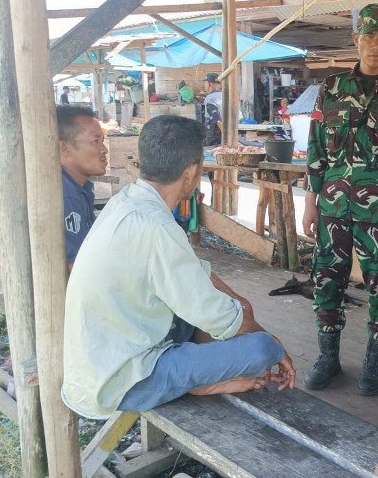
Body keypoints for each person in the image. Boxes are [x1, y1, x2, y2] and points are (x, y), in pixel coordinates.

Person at [61, 115, 296, 420]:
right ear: (192, 171)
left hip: (98, 363)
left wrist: (245, 308)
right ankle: (194, 383)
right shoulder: (157, 226)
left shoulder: (128, 201)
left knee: (225, 322)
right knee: (259, 348)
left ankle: (197, 380)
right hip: (122, 381)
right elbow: (220, 317)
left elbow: (196, 272)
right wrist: (275, 347)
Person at [302, 3, 378, 396]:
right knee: (327, 279)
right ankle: (328, 356)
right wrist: (309, 201)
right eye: (368, 36)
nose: (375, 45)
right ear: (356, 39)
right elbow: (315, 149)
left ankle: (375, 360)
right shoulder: (331, 88)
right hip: (332, 207)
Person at [57, 104, 107, 269]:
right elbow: (77, 267)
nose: (104, 150)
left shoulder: (79, 186)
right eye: (96, 142)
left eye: (103, 141)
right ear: (64, 148)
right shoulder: (66, 195)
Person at [203, 72, 223, 147]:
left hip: (214, 138)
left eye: (205, 83)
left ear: (209, 84)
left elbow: (217, 119)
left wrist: (225, 135)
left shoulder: (210, 98)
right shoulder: (228, 96)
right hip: (231, 135)